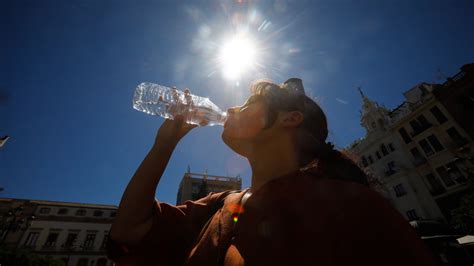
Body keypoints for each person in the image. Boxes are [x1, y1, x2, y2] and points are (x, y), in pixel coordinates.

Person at [106, 78, 441, 265]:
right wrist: (164, 144)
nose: (233, 107)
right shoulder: (222, 206)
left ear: (289, 118)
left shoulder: (353, 205)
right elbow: (130, 230)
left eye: (249, 102)